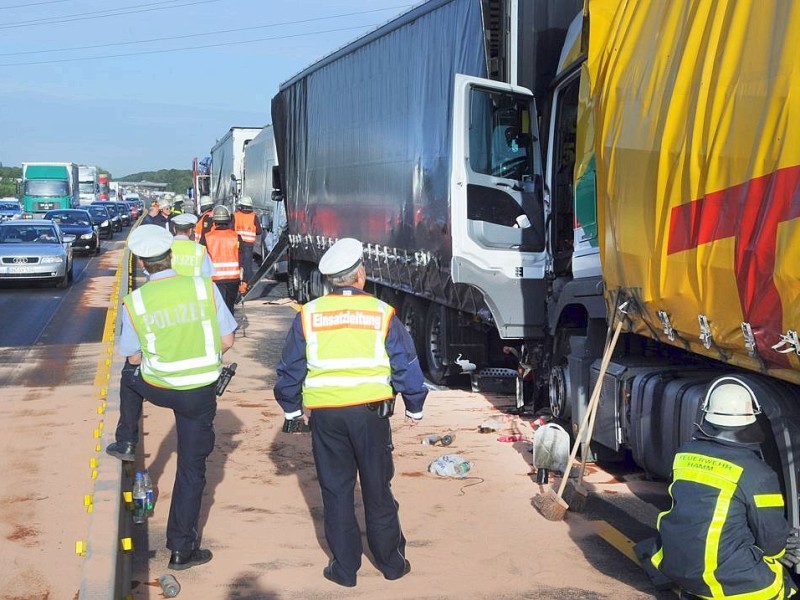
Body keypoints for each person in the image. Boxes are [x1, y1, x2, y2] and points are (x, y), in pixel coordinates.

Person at [274, 237, 428, 588]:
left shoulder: (308, 315)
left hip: (325, 416)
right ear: (360, 274)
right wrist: (414, 406)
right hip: (371, 415)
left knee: (336, 491)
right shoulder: (381, 312)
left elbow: (290, 369)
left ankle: (344, 570)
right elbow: (405, 363)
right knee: (378, 488)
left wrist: (292, 409)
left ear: (331, 280)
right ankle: (391, 563)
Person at [105, 225, 237, 571]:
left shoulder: (136, 301)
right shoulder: (202, 287)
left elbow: (132, 357)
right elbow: (227, 341)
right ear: (171, 256)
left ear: (142, 264)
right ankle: (181, 550)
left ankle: (127, 440)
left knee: (128, 376)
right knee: (192, 470)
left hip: (159, 387)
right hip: (200, 393)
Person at [641, 375, 799, 599]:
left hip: (676, 568)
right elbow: (772, 543)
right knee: (786, 588)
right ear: (751, 418)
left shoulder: (683, 455)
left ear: (706, 414)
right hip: (722, 582)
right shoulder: (759, 474)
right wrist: (786, 545)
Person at [201, 205, 242, 314]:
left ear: (214, 221)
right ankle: (231, 329)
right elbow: (242, 259)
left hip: (215, 278)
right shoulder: (236, 236)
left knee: (218, 308)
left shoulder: (207, 237)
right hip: (233, 278)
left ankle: (221, 329)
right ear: (228, 220)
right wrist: (245, 280)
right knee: (230, 306)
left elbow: (202, 258)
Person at [170, 213, 215, 277]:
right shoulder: (200, 249)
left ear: (174, 229)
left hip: (171, 286)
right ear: (190, 231)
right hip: (194, 286)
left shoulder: (166, 247)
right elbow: (208, 275)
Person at [233, 196, 262, 285]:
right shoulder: (254, 216)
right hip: (248, 244)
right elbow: (259, 231)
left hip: (237, 242)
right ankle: (248, 282)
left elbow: (230, 228)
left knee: (237, 261)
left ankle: (237, 280)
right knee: (247, 264)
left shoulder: (235, 215)